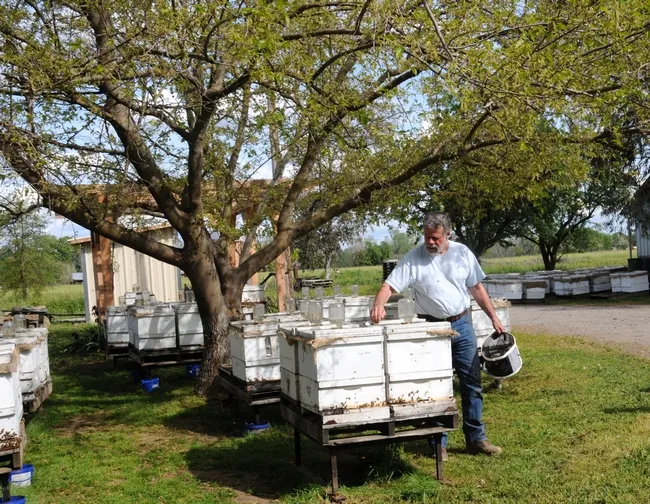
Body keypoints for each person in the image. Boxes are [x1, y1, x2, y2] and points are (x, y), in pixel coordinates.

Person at [371, 212, 504, 460]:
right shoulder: (413, 259)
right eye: (426, 237)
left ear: (447, 235)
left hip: (463, 324)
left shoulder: (462, 253)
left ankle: (476, 439)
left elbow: (476, 288)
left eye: (435, 238)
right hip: (431, 330)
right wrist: (378, 305)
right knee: (437, 387)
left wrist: (494, 317)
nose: (430, 242)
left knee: (471, 383)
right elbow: (388, 286)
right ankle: (438, 442)